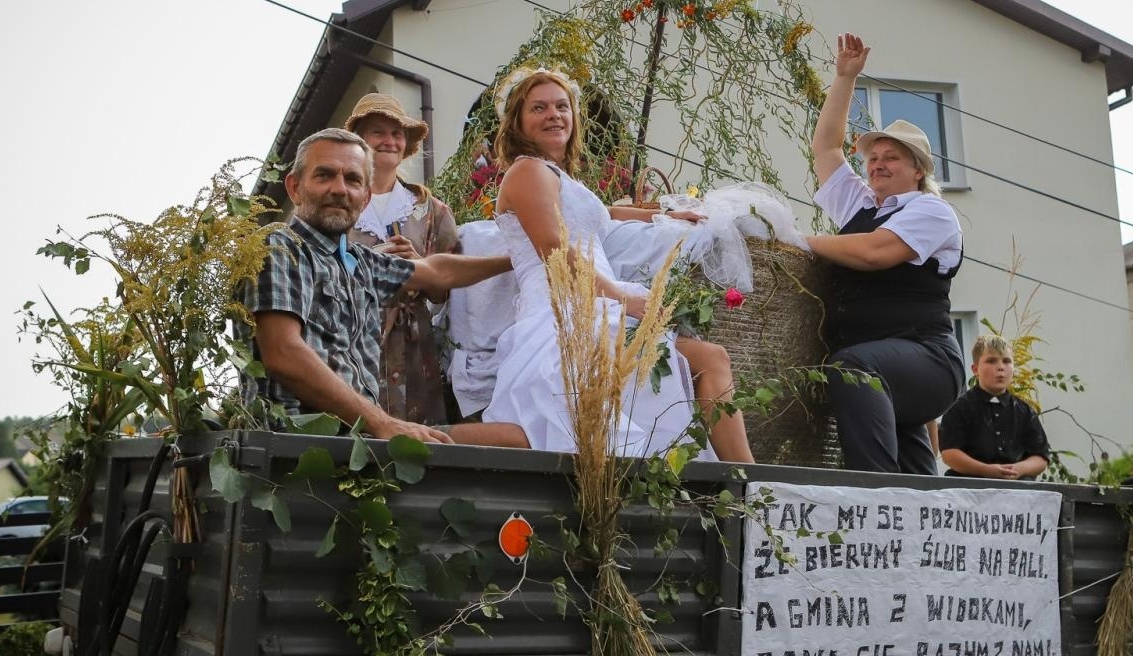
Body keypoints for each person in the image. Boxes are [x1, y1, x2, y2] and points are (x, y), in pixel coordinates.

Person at [481, 65, 754, 462]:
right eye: (538, 108)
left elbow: (601, 215)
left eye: (562, 106)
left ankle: (748, 484)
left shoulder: (558, 177)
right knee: (707, 361)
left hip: (596, 300)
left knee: (707, 362)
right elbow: (555, 249)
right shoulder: (527, 171)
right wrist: (623, 299)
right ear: (519, 122)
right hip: (568, 308)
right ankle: (753, 487)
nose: (554, 115)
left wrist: (662, 214)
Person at [245, 127, 527, 448]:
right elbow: (282, 353)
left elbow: (436, 272)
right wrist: (383, 422)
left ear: (365, 198)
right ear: (295, 188)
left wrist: (521, 259)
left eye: (352, 180)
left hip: (353, 445)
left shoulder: (361, 262)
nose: (339, 189)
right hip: (293, 449)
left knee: (513, 440)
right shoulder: (281, 247)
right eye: (324, 175)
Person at [806, 33, 966, 475]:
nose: (876, 163)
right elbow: (826, 149)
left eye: (891, 157)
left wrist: (799, 240)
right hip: (890, 370)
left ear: (918, 171)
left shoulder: (932, 210)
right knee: (916, 474)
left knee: (852, 368)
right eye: (873, 157)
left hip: (928, 361)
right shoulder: (862, 207)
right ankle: (917, 523)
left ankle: (874, 497)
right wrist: (844, 78)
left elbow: (876, 253)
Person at [343, 93, 460, 426]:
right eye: (378, 132)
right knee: (357, 432)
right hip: (353, 334)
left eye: (397, 134)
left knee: (417, 437)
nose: (390, 141)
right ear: (359, 141)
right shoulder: (339, 203)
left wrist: (420, 267)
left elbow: (444, 293)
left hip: (414, 343)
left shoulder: (432, 210)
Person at [939, 334, 1050, 479]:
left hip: (1018, 492)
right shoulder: (960, 408)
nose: (1000, 367)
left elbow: (1040, 457)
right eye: (991, 361)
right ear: (975, 369)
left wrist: (1018, 469)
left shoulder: (1025, 411)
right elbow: (949, 453)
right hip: (969, 490)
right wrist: (986, 470)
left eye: (1006, 361)